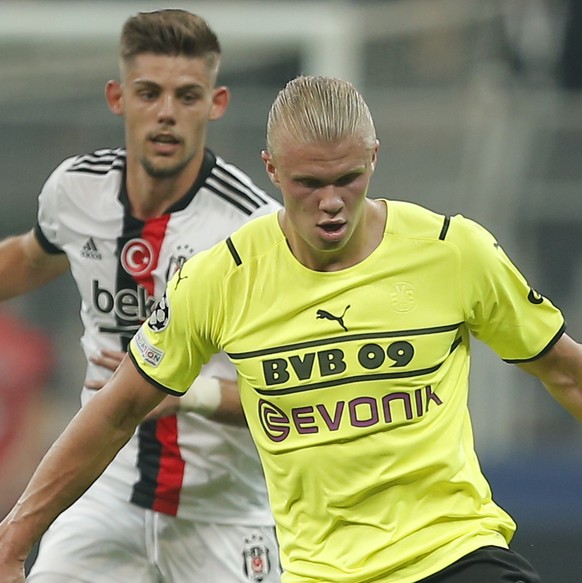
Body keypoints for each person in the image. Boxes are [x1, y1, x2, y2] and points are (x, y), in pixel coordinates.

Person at [2, 74, 582, 583]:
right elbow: (115, 410)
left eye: (348, 179)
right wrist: (15, 537)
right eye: (308, 183)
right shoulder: (222, 277)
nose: (331, 202)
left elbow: (564, 370)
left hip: (453, 554)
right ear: (272, 168)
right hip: (317, 571)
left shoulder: (453, 252)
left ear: (374, 158)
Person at [0, 9, 281, 583]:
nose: (167, 114)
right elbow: (30, 259)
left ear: (217, 102)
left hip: (224, 511)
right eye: (149, 93)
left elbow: (293, 396)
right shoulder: (77, 192)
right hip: (104, 498)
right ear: (117, 97)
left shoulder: (255, 231)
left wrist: (188, 392)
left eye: (187, 95)